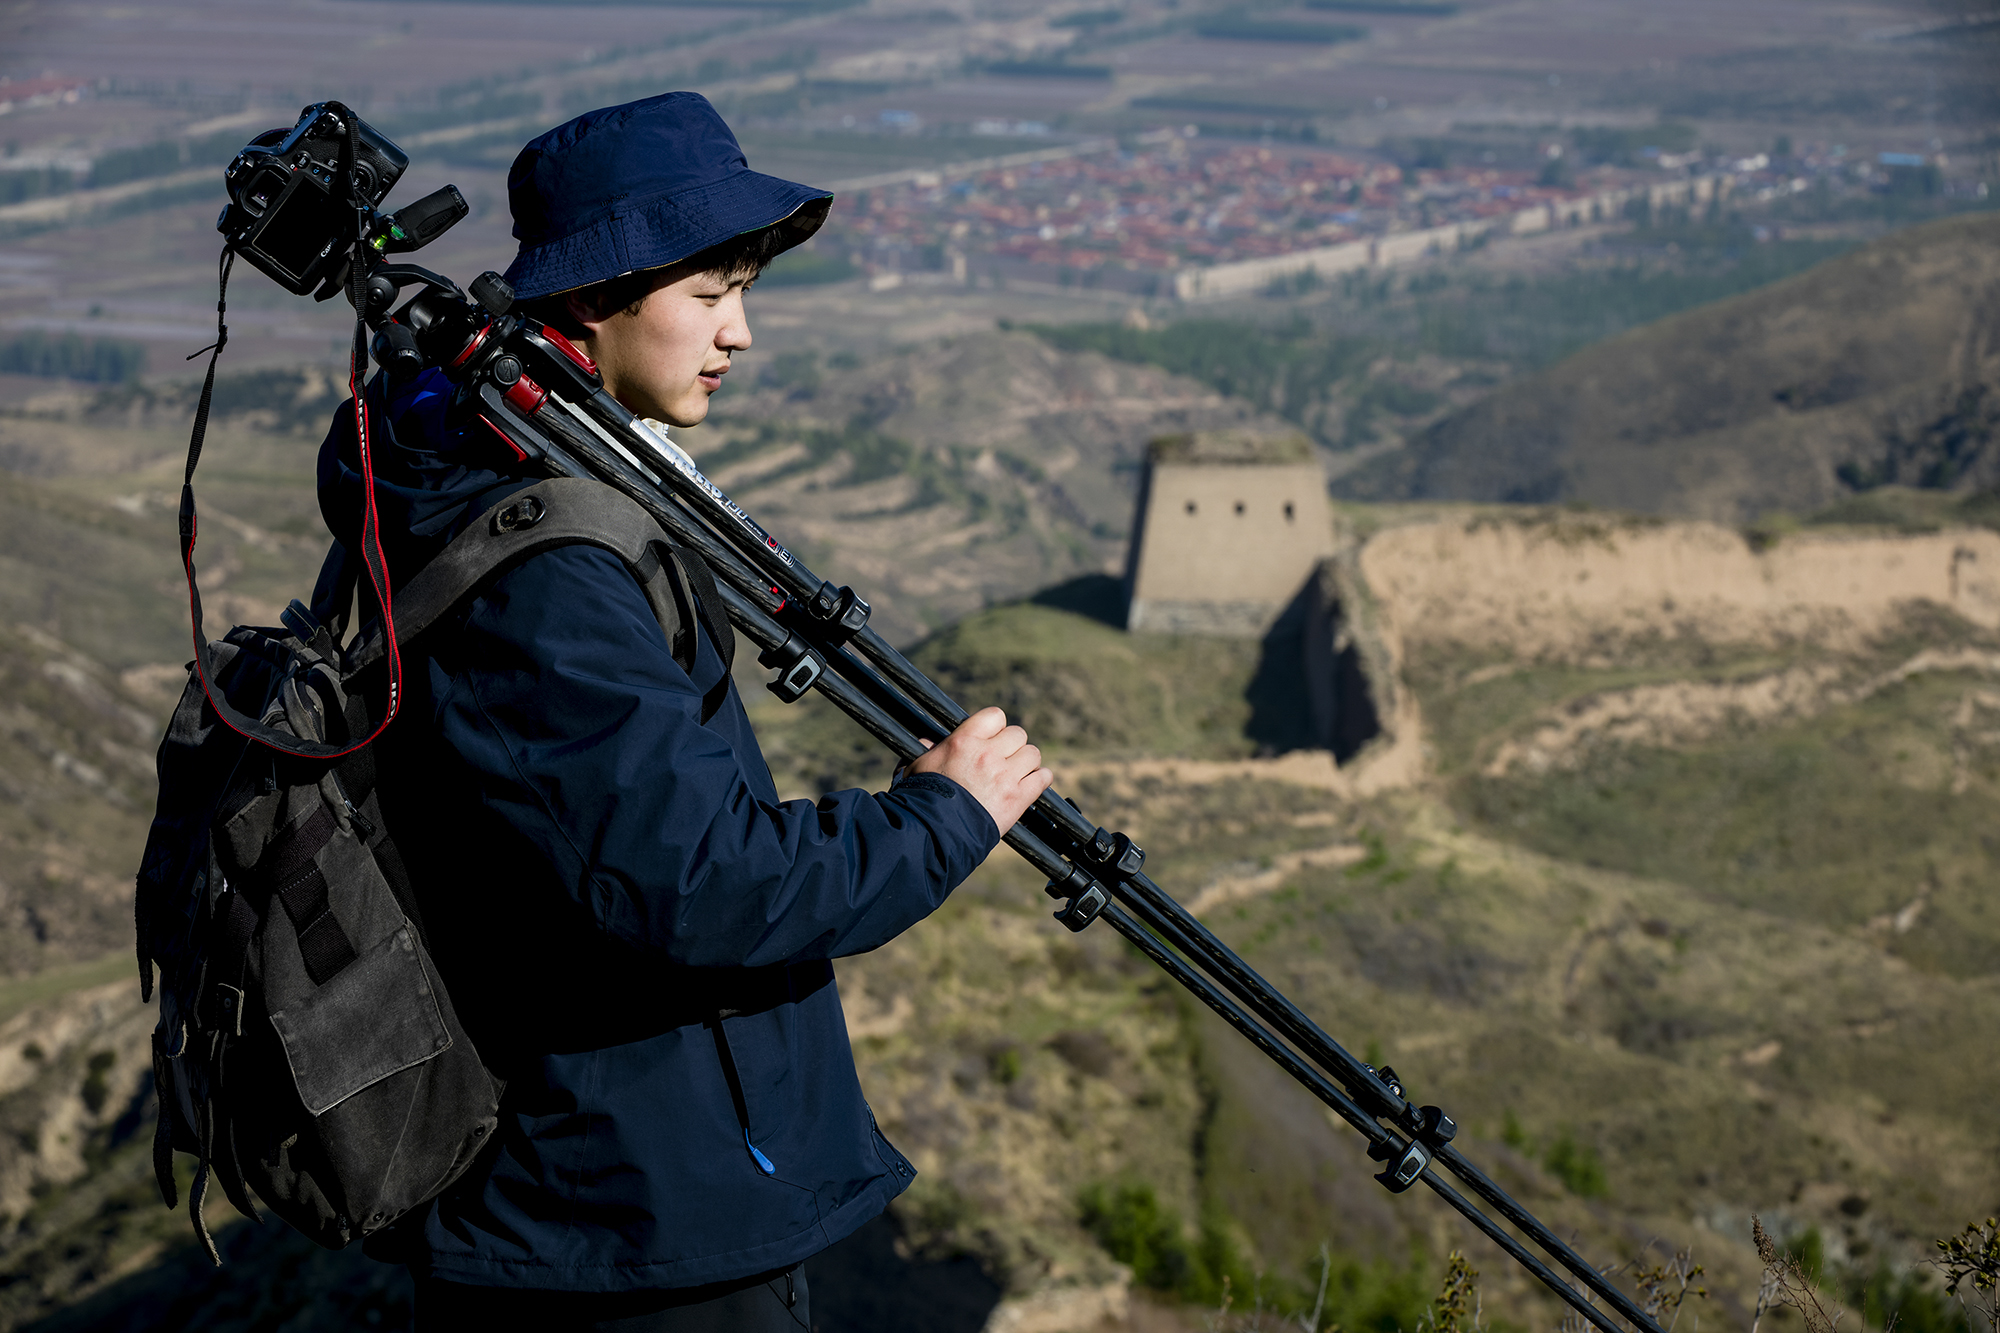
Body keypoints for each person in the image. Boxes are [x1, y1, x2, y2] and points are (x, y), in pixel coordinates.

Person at [316, 91, 1053, 1331]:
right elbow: (704, 882)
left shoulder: (504, 478)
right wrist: (941, 819)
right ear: (598, 297)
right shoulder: (547, 576)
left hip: (624, 1186)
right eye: (710, 296)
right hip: (631, 1219)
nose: (740, 334)